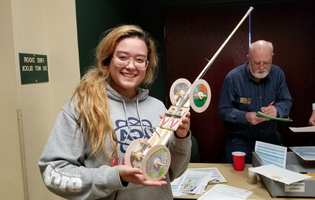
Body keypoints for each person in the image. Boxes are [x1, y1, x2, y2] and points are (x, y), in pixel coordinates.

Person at [38, 25, 191, 200]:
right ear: (107, 59)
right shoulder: (82, 106)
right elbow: (53, 172)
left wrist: (181, 138)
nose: (131, 66)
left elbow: (172, 172)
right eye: (123, 57)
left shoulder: (157, 108)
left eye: (140, 60)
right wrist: (115, 176)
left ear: (147, 65)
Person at [217, 40, 292, 163]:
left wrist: (276, 110)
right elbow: (223, 109)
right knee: (236, 180)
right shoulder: (233, 78)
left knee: (271, 178)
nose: (262, 68)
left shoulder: (277, 74)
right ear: (248, 58)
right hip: (240, 141)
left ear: (272, 57)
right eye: (257, 63)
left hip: (269, 139)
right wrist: (245, 116)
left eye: (267, 63)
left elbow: (286, 100)